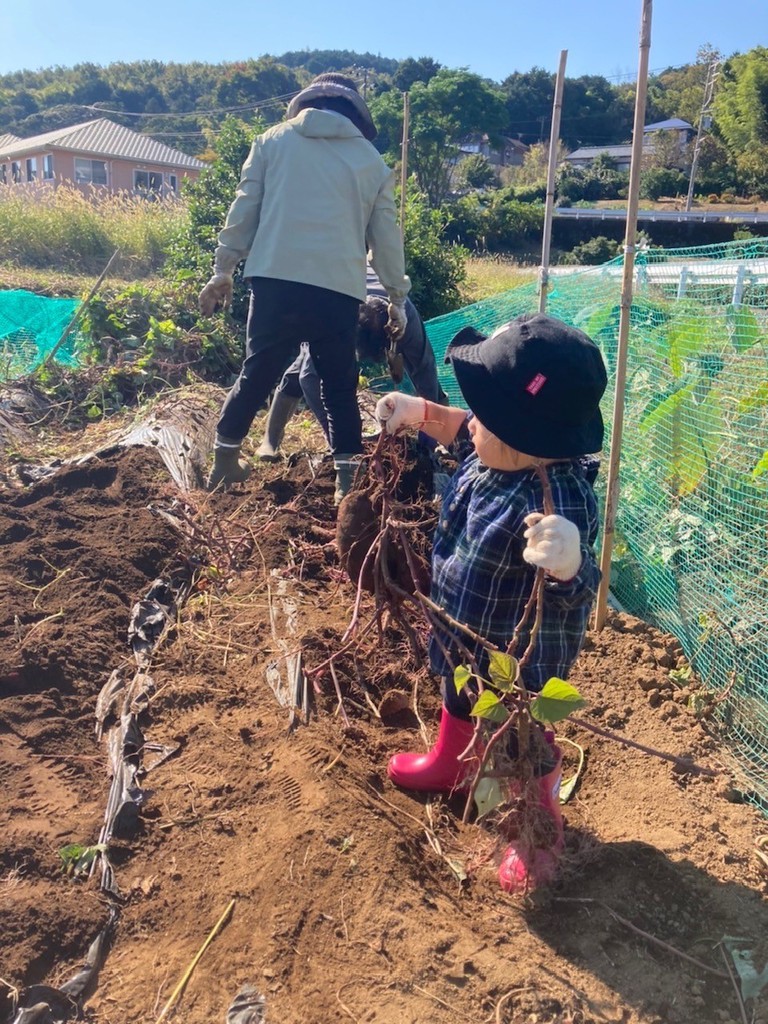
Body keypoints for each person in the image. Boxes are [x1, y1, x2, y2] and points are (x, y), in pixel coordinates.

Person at [374, 313, 607, 892]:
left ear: (523, 436)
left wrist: (569, 562)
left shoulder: (558, 501)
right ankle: (453, 763)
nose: (471, 423)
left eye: (486, 418)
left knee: (521, 735)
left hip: (517, 657)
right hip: (463, 625)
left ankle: (537, 826)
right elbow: (462, 428)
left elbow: (576, 592)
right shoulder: (498, 449)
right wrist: (419, 412)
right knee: (458, 692)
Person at [198, 73, 411, 501]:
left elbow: (245, 208)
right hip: (338, 290)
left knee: (257, 371)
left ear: (305, 105)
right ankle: (346, 484)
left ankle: (223, 466)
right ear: (356, 115)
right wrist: (397, 297)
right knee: (339, 385)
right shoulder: (371, 162)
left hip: (275, 280)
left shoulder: (271, 141)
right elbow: (387, 237)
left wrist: (224, 268)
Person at [256, 263, 448, 459]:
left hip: (374, 290)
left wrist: (427, 440)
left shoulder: (405, 319)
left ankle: (447, 436)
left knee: (426, 375)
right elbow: (309, 379)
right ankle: (269, 442)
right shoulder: (333, 318)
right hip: (328, 287)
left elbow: (424, 370)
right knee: (301, 371)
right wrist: (336, 437)